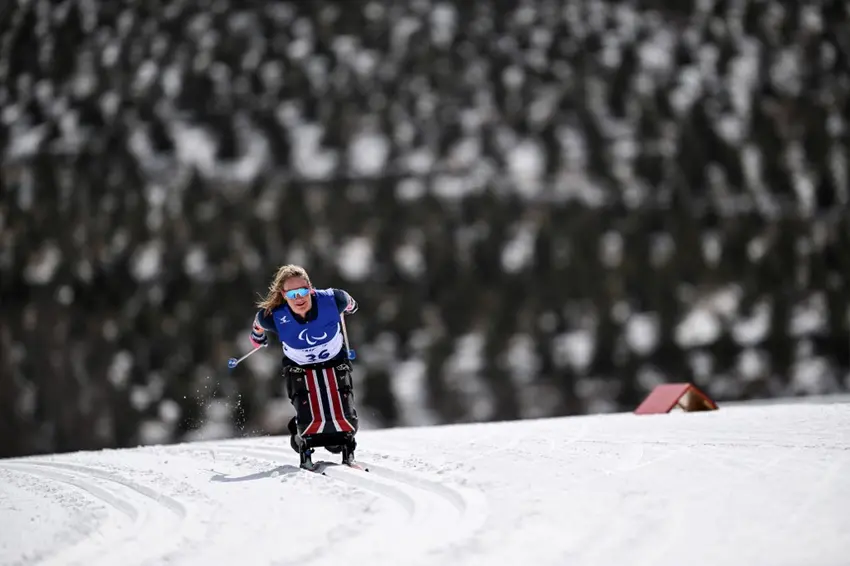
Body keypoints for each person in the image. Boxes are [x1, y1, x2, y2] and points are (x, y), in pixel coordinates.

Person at [249, 264, 360, 468]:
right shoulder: (273, 315)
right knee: (309, 416)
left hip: (334, 358)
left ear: (310, 288)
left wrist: (350, 307)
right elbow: (257, 325)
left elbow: (351, 303)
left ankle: (342, 444)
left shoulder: (333, 299)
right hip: (299, 365)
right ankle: (301, 436)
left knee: (343, 424)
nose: (299, 298)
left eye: (302, 291)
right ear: (283, 294)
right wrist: (257, 337)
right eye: (292, 294)